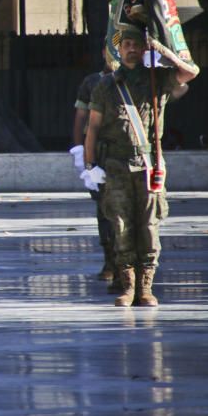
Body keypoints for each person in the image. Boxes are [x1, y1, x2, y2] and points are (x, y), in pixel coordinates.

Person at [83, 25, 200, 307]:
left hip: (149, 164)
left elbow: (191, 72)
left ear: (145, 48)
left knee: (148, 226)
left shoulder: (157, 80)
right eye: (126, 45)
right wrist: (89, 165)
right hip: (116, 165)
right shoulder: (106, 86)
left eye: (137, 44)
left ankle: (146, 287)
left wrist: (161, 48)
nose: (132, 49)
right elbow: (93, 127)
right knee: (121, 226)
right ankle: (127, 286)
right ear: (118, 50)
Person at [70, 62, 116, 282]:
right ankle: (110, 259)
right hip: (99, 152)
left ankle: (130, 266)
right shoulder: (92, 82)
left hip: (128, 153)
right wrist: (81, 154)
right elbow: (81, 117)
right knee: (105, 210)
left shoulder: (143, 79)